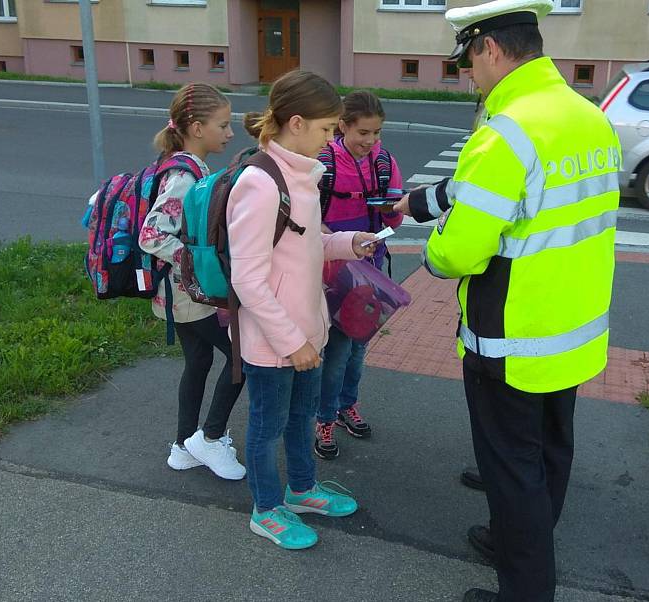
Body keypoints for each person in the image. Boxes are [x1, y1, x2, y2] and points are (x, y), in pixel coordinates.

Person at [394, 1, 622, 600]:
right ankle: (527, 535)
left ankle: (524, 582)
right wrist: (420, 203)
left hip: (512, 335)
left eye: (469, 61)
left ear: (490, 49)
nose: (470, 75)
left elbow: (459, 255)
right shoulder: (585, 116)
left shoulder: (505, 132)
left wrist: (429, 246)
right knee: (551, 445)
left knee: (511, 466)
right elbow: (513, 196)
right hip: (573, 323)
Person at [227, 70, 379, 550]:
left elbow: (304, 246)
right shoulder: (261, 182)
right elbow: (247, 279)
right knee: (268, 426)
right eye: (327, 128)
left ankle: (301, 490)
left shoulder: (302, 177)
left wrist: (348, 243)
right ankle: (266, 510)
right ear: (296, 123)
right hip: (275, 342)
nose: (331, 137)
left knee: (301, 417)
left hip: (308, 330)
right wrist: (290, 342)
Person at [139, 82, 246, 481]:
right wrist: (197, 261)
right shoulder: (184, 175)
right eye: (223, 124)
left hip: (180, 295)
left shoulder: (189, 166)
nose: (231, 132)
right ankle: (211, 438)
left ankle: (184, 446)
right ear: (197, 128)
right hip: (189, 295)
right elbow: (151, 235)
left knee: (200, 362)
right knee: (245, 357)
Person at [314, 91, 404, 459]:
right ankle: (324, 417)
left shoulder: (384, 161)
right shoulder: (323, 162)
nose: (369, 141)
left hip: (372, 267)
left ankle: (347, 404)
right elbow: (308, 220)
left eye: (376, 133)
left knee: (359, 346)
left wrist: (392, 209)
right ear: (342, 126)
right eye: (362, 132)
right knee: (337, 349)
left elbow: (394, 213)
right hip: (335, 272)